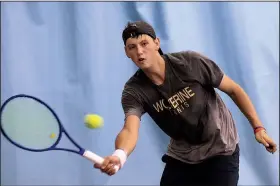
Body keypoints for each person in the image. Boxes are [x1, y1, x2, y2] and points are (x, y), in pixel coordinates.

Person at [94, 21, 277, 186]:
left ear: (157, 43)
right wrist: (120, 154)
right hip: (183, 156)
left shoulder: (190, 62)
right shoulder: (133, 90)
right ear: (127, 52)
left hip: (221, 149)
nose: (139, 52)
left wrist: (258, 128)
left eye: (144, 44)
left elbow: (234, 90)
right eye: (132, 47)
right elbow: (130, 129)